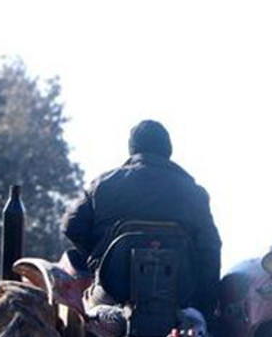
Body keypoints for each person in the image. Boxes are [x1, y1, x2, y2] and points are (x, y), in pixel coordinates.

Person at [60, 120, 222, 316]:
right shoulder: (194, 193)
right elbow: (210, 250)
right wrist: (205, 308)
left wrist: (100, 258)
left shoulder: (103, 185)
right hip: (180, 301)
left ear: (132, 150)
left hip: (110, 297)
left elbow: (71, 226)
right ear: (168, 150)